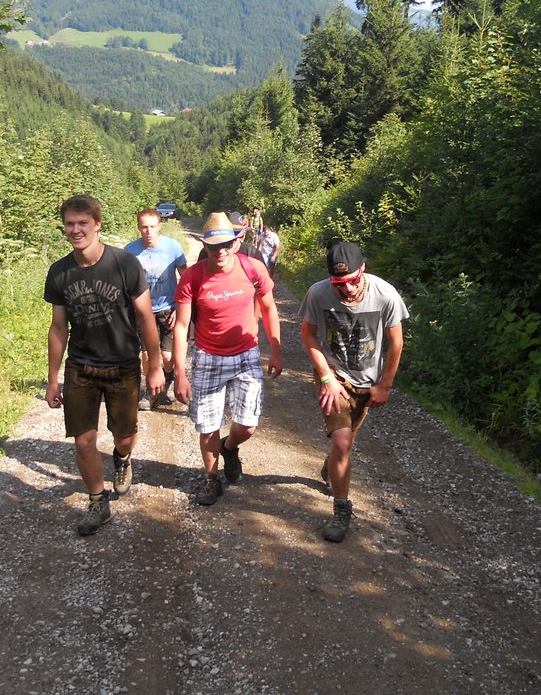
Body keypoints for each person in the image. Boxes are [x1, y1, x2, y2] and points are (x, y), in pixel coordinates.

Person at [44, 194, 165, 535]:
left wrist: (154, 366)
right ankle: (98, 502)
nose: (76, 230)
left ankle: (122, 458)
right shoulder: (59, 272)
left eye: (83, 223)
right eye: (70, 224)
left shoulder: (124, 263)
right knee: (83, 441)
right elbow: (58, 328)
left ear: (97, 224)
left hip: (123, 365)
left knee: (124, 436)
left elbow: (146, 318)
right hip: (81, 367)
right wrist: (52, 379)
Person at [300, 241, 408, 543]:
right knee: (343, 442)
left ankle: (332, 463)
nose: (347, 289)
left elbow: (396, 343)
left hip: (367, 381)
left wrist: (384, 385)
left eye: (352, 281)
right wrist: (326, 377)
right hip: (334, 376)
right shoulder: (318, 293)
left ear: (363, 269)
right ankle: (341, 509)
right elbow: (308, 335)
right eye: (339, 284)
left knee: (345, 445)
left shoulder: (385, 294)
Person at [173, 212, 283, 506]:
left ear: (235, 243)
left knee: (248, 424)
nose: (220, 251)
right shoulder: (193, 277)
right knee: (208, 425)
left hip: (246, 354)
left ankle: (230, 447)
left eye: (226, 245)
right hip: (208, 357)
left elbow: (269, 309)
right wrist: (180, 374)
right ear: (205, 246)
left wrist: (276, 349)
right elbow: (182, 326)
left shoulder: (252, 268)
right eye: (213, 246)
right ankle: (211, 479)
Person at [125, 208, 187, 410]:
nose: (148, 231)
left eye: (152, 226)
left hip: (168, 309)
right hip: (143, 312)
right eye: (144, 227)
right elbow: (124, 283)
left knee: (168, 357)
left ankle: (166, 383)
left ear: (160, 226)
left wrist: (180, 306)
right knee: (146, 354)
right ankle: (150, 392)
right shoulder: (130, 251)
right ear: (138, 228)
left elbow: (185, 278)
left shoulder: (173, 247)